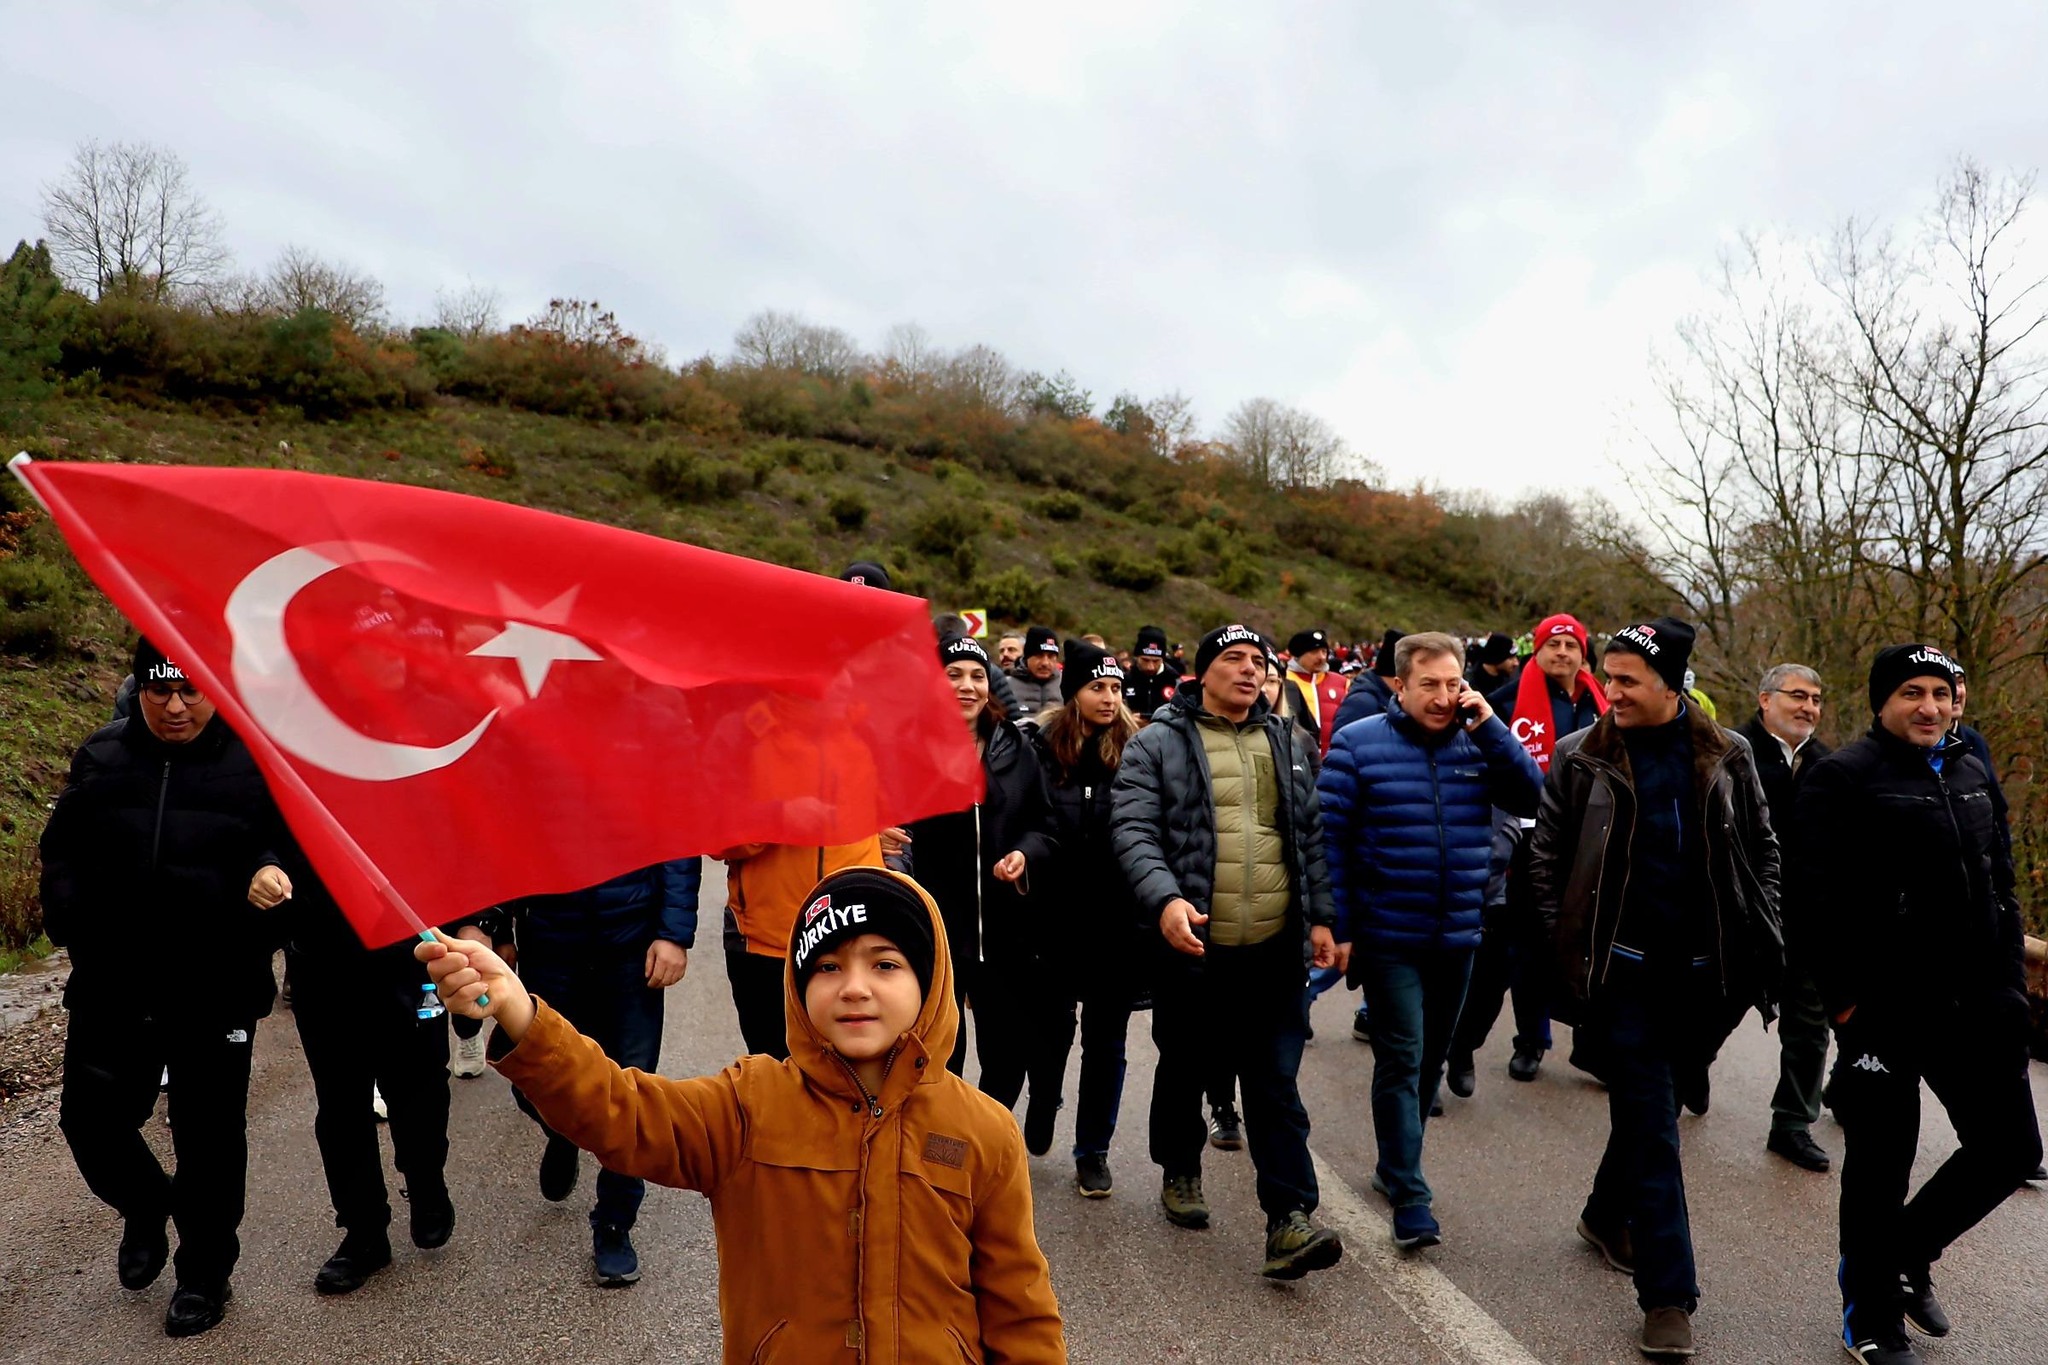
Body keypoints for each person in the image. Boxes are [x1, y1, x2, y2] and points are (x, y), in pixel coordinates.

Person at [416, 867, 1067, 1363]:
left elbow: (1022, 1310)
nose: (855, 986)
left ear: (930, 980)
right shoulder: (750, 1105)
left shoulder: (984, 1130)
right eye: (828, 966)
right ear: (798, 987)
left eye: (886, 964)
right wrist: (520, 1012)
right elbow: (624, 1112)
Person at [1526, 617, 1782, 1360]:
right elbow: (1546, 860)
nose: (1609, 691)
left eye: (1627, 680)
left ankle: (1605, 1214)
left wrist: (1762, 934)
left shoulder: (1726, 754)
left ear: (1671, 685)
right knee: (1654, 1125)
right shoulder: (1581, 756)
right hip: (1623, 976)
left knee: (1655, 1111)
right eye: (1607, 677)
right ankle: (1669, 1296)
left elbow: (1763, 849)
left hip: (1707, 979)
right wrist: (1567, 951)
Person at [1789, 645, 2041, 1365]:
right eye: (1911, 692)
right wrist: (1844, 1003)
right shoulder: (1843, 776)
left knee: (2010, 1150)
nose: (1929, 706)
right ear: (1882, 701)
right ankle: (1871, 1318)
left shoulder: (1970, 766)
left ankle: (1900, 1255)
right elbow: (1809, 901)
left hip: (1977, 1000)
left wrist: (2011, 988)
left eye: (1940, 691)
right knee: (1881, 1165)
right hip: (1884, 1010)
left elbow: (2000, 883)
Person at [39, 640, 291, 1337]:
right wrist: (72, 919)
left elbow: (291, 849)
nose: (175, 706)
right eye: (160, 691)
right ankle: (148, 1206)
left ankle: (205, 1276)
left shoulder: (256, 764)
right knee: (91, 1122)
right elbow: (62, 850)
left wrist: (271, 874)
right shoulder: (102, 756)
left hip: (215, 986)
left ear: (214, 688)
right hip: (114, 984)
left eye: (190, 691)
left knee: (209, 1139)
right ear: (139, 687)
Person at [1111, 623, 1346, 1279]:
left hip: (1272, 947)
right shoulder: (1157, 742)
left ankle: (1289, 1217)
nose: (1250, 670)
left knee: (1274, 1082)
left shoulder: (1290, 741)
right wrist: (1164, 899)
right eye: (1234, 659)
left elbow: (1309, 838)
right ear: (1203, 671)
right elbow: (1133, 829)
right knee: (1185, 1063)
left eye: (1258, 661)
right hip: (1193, 945)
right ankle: (1180, 1168)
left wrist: (1322, 918)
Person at [1319, 633, 1543, 1250]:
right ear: (1400, 686)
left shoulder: (1479, 741)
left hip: (1459, 931)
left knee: (1429, 1061)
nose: (1444, 697)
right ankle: (1411, 1195)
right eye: (1429, 685)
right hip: (1388, 933)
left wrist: (1492, 726)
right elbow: (1329, 841)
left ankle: (1394, 1164)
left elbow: (1531, 795)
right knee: (1401, 1054)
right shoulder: (1358, 743)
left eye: (1453, 683)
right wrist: (1337, 926)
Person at [504, 859, 701, 1287]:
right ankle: (565, 1132)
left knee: (631, 1092)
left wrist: (673, 933)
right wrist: (497, 928)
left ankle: (614, 1223)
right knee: (533, 1080)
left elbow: (678, 846)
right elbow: (497, 838)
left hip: (630, 942)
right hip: (549, 942)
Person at [283, 880, 473, 1295]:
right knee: (340, 1104)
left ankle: (425, 1179)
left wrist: (473, 923)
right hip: (320, 954)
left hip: (407, 946)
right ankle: (364, 1232)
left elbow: (450, 852)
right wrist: (267, 865)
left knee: (419, 1087)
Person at [1449, 613, 1610, 1091]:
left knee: (1554, 952)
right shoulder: (1503, 702)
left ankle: (1538, 1042)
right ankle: (1461, 1048)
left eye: (1571, 645)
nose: (1562, 652)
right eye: (1552, 644)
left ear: (1584, 654)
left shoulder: (1602, 706)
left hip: (1580, 848)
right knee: (1499, 959)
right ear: (1535, 652)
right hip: (1515, 847)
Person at [899, 635, 1057, 1084]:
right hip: (934, 930)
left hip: (1004, 933)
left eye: (977, 676)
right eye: (953, 675)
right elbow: (888, 826)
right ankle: (944, 1128)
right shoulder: (908, 748)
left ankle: (989, 1127)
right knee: (939, 1055)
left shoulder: (1016, 747)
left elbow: (1044, 825)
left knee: (1006, 1058)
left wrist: (1024, 853)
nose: (967, 686)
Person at [1030, 640, 1151, 1196]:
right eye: (1096, 687)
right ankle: (1043, 1098)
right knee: (1051, 1029)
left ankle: (1093, 1151)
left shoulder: (1137, 749)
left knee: (1107, 1042)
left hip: (1116, 921)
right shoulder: (1039, 749)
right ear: (1072, 692)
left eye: (1115, 688)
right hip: (1053, 917)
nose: (1108, 698)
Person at [1736, 663, 1834, 1174]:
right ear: (1765, 699)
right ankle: (1686, 1072)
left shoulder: (1829, 765)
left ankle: (1793, 1122)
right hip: (1741, 909)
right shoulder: (1733, 753)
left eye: (1815, 699)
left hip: (1808, 915)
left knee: (1809, 1025)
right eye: (1798, 696)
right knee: (1713, 1009)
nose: (1808, 708)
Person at [1284, 628, 1349, 758]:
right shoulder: (1284, 681)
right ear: (1299, 654)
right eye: (1314, 652)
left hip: (1336, 758)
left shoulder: (1341, 682)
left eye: (1324, 651)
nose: (1321, 657)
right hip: (1298, 758)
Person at [1125, 625, 1180, 720]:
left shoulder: (1175, 682)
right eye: (1145, 660)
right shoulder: (1124, 680)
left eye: (1156, 661)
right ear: (1137, 657)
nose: (1150, 667)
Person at [1008, 625, 1065, 718]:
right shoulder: (1007, 686)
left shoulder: (1068, 684)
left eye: (1051, 656)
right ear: (1027, 657)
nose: (1045, 663)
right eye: (1039, 655)